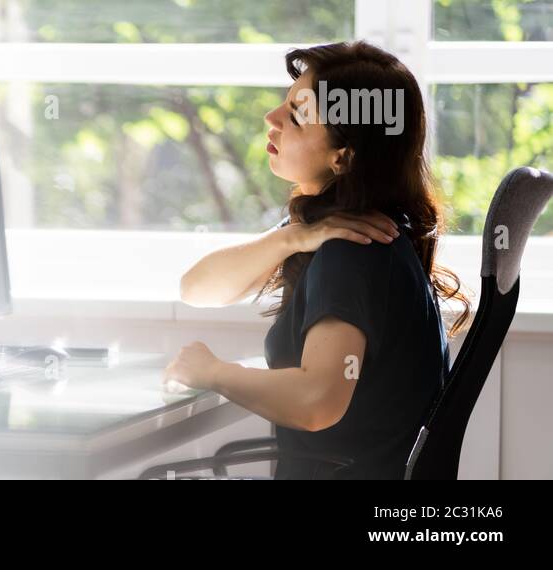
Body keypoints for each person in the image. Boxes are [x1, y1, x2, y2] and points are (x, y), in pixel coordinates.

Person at [168, 41, 469, 480]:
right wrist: (290, 238)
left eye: (296, 116)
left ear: (342, 156)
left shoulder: (352, 251)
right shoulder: (342, 233)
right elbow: (195, 289)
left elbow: (317, 401)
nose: (271, 119)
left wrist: (214, 372)